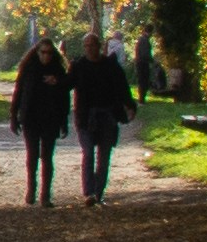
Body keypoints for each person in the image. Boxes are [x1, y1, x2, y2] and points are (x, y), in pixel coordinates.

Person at [68, 26, 136, 203]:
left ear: (99, 46)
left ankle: (99, 192)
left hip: (107, 116)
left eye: (92, 45)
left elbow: (123, 88)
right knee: (88, 153)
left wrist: (130, 106)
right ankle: (89, 192)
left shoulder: (110, 66)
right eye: (86, 45)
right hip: (85, 117)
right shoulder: (79, 66)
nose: (89, 48)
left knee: (104, 156)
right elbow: (66, 85)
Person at [12, 31, 73, 205]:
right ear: (37, 52)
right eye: (43, 52)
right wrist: (14, 116)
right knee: (32, 154)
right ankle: (31, 189)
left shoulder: (58, 71)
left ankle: (45, 194)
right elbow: (19, 92)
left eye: (49, 53)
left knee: (47, 156)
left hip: (50, 118)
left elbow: (64, 98)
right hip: (30, 117)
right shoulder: (28, 69)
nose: (46, 56)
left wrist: (64, 121)